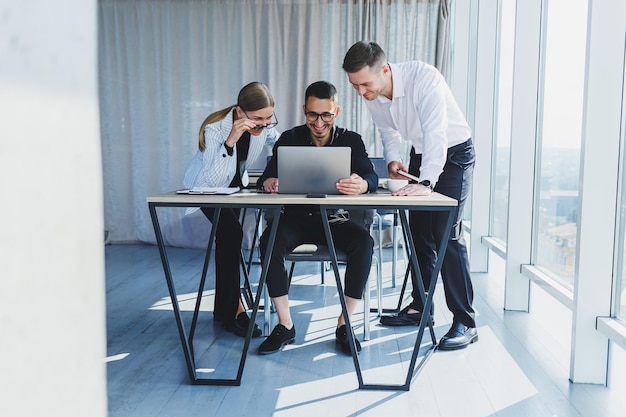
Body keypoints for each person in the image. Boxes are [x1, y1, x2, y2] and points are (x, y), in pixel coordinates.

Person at [342, 41, 478, 351]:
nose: (361, 92)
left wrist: (428, 182)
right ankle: (421, 307)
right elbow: (388, 132)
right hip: (421, 153)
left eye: (365, 84)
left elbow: (436, 133)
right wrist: (393, 159)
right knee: (418, 234)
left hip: (454, 152)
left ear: (385, 70)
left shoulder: (424, 78)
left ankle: (466, 321)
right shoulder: (371, 93)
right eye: (354, 85)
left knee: (447, 235)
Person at [257, 81, 377, 355]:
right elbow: (265, 178)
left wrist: (363, 184)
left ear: (336, 111)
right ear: (304, 111)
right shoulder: (288, 138)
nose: (319, 122)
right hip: (295, 219)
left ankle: (344, 324)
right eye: (312, 114)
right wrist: (270, 182)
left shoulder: (351, 140)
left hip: (335, 220)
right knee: (269, 242)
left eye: (326, 115)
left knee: (364, 243)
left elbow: (370, 175)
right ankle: (285, 325)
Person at [182, 81, 279, 338]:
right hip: (204, 189)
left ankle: (222, 312)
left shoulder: (264, 126)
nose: (264, 124)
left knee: (228, 242)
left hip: (233, 189)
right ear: (240, 112)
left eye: (269, 117)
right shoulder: (216, 130)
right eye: (257, 118)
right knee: (232, 235)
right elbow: (212, 179)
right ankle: (235, 311)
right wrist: (231, 140)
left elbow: (278, 143)